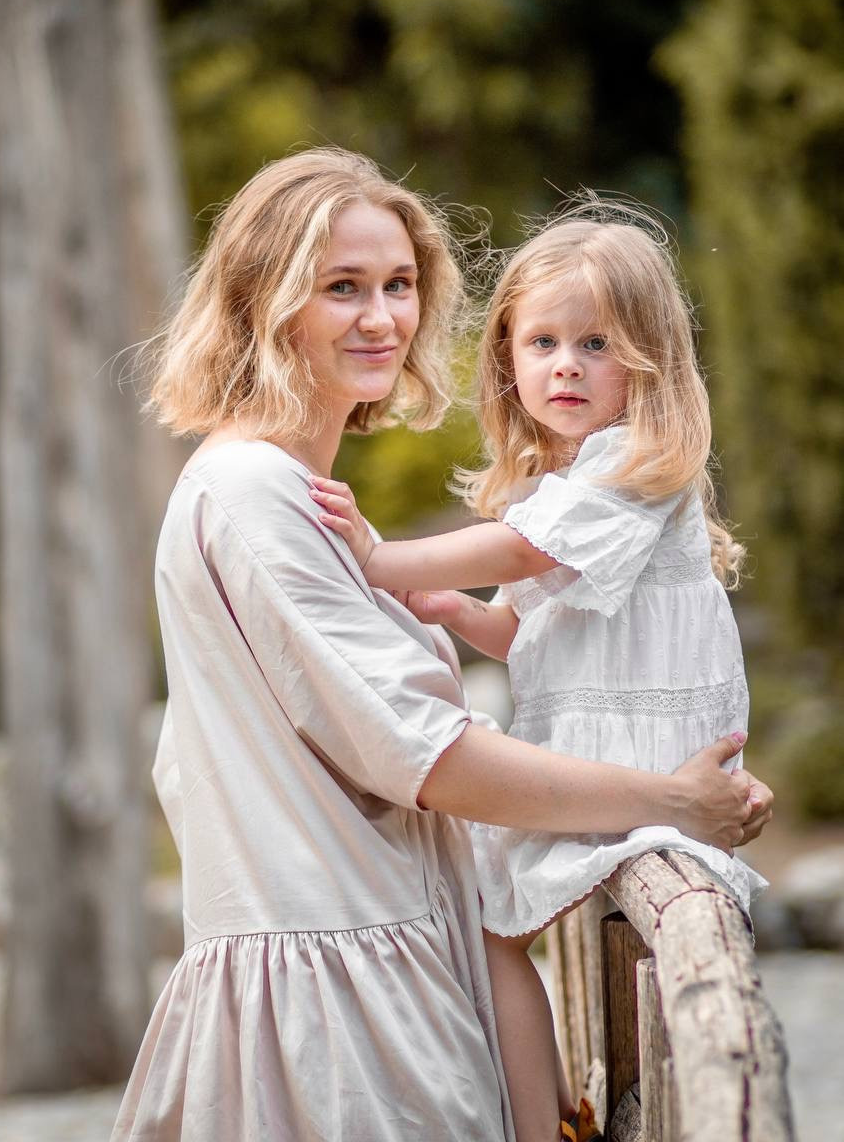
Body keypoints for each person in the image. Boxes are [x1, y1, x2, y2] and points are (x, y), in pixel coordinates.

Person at [112, 153, 770, 1142]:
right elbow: (432, 757)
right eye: (342, 287)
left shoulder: (294, 494)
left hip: (392, 976)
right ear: (262, 303)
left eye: (398, 283)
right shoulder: (255, 495)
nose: (382, 317)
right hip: (343, 1020)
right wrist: (671, 801)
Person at [311, 199, 768, 1142]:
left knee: (504, 934)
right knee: (490, 936)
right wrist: (460, 615)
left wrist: (379, 559)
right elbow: (533, 633)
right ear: (508, 360)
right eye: (544, 343)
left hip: (644, 758)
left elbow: (522, 553)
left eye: (597, 344)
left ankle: (539, 1122)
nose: (566, 365)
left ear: (648, 360)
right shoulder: (559, 483)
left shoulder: (636, 465)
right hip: (597, 753)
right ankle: (555, 1115)